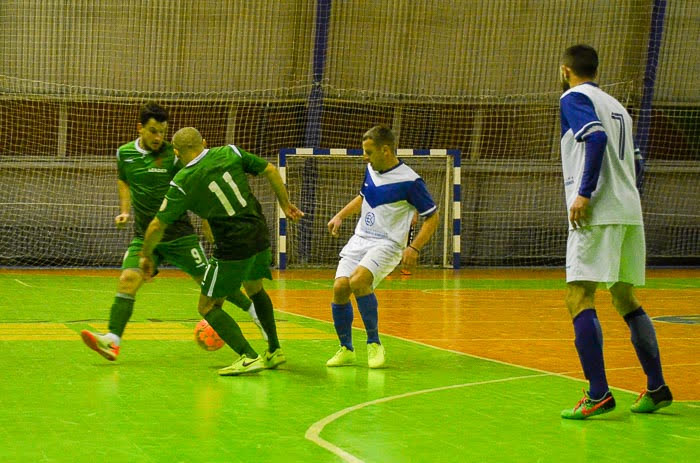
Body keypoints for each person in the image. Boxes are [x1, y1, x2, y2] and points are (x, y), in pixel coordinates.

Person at [80, 103, 265, 362]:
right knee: (127, 281)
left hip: (179, 235)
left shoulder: (174, 156)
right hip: (146, 236)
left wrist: (207, 221)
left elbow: (197, 184)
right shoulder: (124, 154)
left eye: (162, 132)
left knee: (211, 284)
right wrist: (124, 210)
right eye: (153, 131)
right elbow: (123, 180)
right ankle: (113, 340)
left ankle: (255, 313)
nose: (158, 138)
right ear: (140, 129)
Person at [557, 45, 672, 419]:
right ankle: (656, 387)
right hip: (628, 209)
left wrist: (585, 192)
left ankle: (598, 393)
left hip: (598, 210)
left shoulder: (573, 97)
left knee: (579, 295)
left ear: (565, 70)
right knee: (625, 297)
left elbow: (594, 138)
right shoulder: (617, 105)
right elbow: (635, 159)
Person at [139, 127, 303, 376]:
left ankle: (248, 356)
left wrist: (146, 255)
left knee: (207, 306)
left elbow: (156, 225)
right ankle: (274, 349)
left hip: (232, 243)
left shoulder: (183, 181)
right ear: (204, 142)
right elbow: (270, 169)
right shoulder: (231, 151)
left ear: (176, 153)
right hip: (259, 232)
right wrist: (285, 204)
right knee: (255, 288)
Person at [325, 126, 439, 368]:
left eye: (368, 152)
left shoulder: (410, 181)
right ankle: (346, 348)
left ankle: (374, 344)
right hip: (361, 238)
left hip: (388, 243)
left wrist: (414, 248)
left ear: (385, 150)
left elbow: (432, 217)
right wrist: (340, 215)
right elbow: (364, 197)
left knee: (358, 281)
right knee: (340, 287)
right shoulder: (371, 169)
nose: (364, 157)